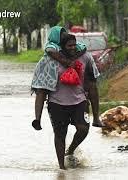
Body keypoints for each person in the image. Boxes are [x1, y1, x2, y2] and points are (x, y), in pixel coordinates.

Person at [31, 26, 104, 130]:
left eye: (64, 33)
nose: (64, 36)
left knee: (93, 86)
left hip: (79, 97)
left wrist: (76, 56)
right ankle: (37, 119)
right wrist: (67, 62)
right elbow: (51, 51)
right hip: (55, 94)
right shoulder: (51, 47)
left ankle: (96, 118)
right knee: (41, 91)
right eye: (61, 35)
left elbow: (82, 48)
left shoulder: (76, 48)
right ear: (55, 37)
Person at [46, 34, 101, 169]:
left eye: (74, 45)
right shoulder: (52, 59)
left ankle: (70, 150)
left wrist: (96, 115)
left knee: (83, 128)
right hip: (56, 103)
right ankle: (61, 168)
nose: (72, 48)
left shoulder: (86, 57)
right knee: (60, 134)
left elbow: (92, 83)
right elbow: (43, 84)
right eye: (69, 45)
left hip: (80, 101)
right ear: (62, 47)